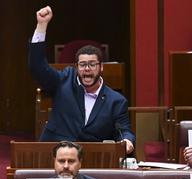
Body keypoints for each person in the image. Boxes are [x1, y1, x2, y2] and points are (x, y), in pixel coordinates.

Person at [29, 6, 135, 153]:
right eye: (83, 64)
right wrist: (41, 26)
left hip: (91, 159)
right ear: (76, 67)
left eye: (92, 64)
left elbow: (124, 130)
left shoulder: (116, 101)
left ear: (101, 67)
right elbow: (37, 66)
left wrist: (127, 140)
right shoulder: (63, 81)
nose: (87, 69)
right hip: (55, 155)